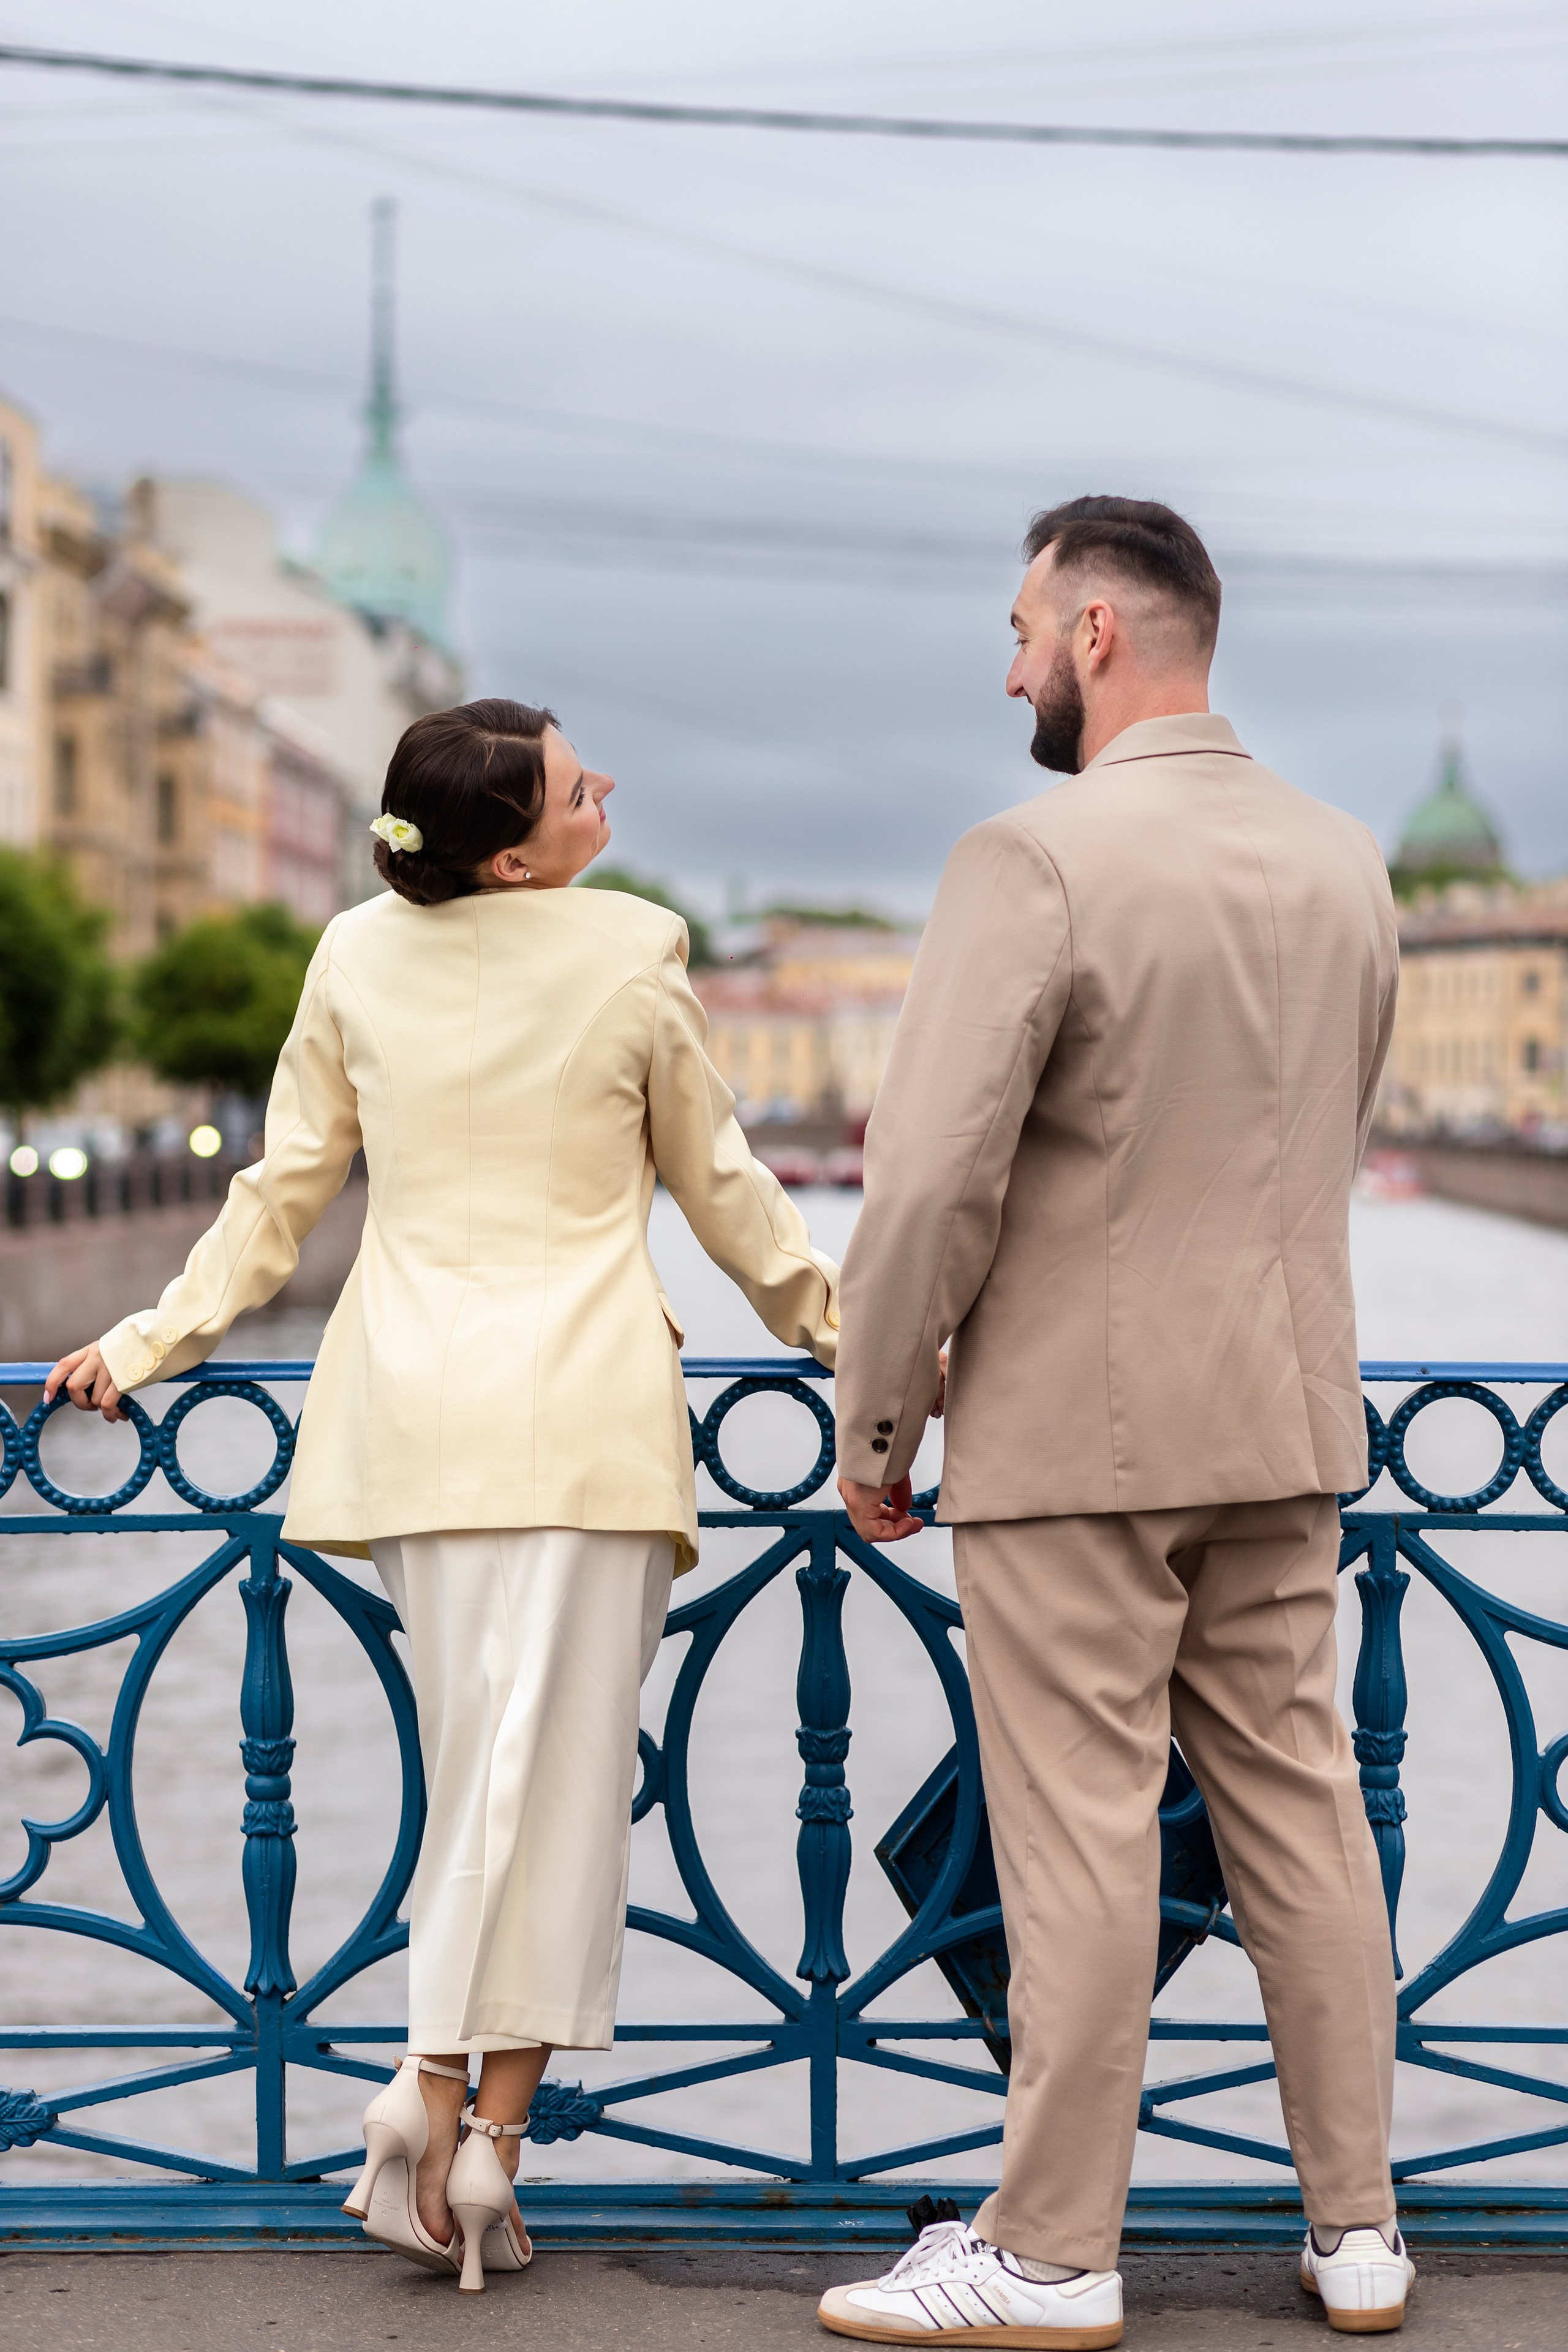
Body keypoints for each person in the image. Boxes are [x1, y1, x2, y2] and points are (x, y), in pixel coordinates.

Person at [46, 698, 840, 2296]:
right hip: (582, 1423)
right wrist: (861, 1343)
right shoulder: (633, 949)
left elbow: (278, 1202)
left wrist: (151, 1341)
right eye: (572, 781)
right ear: (513, 853)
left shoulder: (352, 954)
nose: (603, 782)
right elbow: (730, 1192)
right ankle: (448, 2112)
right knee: (552, 1788)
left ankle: (473, 2137)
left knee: (496, 1775)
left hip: (413, 1419)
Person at [817, 499, 1408, 2346]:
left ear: (1094, 635)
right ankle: (1361, 2231)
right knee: (1306, 1821)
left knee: (1077, 1832)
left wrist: (878, 1421)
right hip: (1294, 1412)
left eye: (1015, 630)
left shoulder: (1033, 857)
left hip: (1081, 1429)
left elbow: (927, 1185)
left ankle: (1054, 2250)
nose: (1005, 669)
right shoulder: (1345, 863)